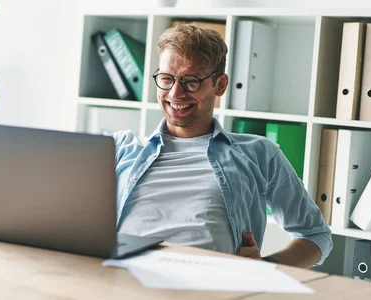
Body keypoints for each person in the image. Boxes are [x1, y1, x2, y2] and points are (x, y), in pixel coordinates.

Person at [113, 23, 332, 268]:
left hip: (208, 288)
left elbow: (315, 236)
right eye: (166, 79)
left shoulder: (259, 154)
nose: (175, 93)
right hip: (121, 280)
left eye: (191, 82)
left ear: (220, 85)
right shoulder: (121, 149)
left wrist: (266, 267)